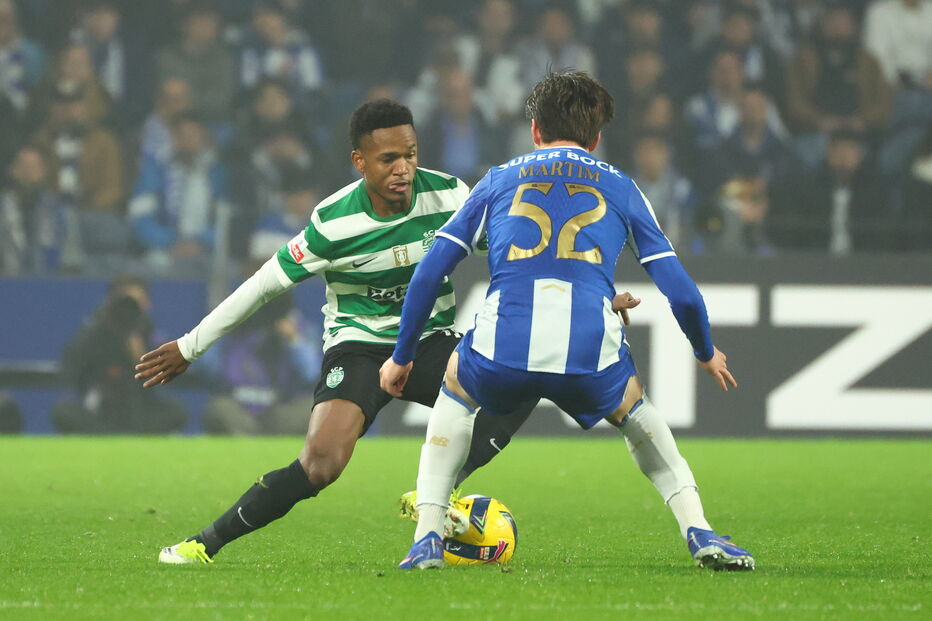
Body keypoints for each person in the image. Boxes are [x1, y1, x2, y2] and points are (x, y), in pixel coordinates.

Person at [381, 71, 755, 571]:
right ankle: (699, 531)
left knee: (456, 389)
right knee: (637, 413)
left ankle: (427, 537)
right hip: (588, 351)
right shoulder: (622, 187)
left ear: (535, 130)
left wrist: (401, 357)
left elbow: (430, 272)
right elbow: (682, 292)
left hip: (504, 347)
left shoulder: (498, 179)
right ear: (596, 138)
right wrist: (705, 351)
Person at [136, 99, 537, 565]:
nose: (403, 168)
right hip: (359, 347)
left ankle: (437, 490)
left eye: (410, 154)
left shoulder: (449, 196)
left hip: (429, 341)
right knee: (321, 463)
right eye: (389, 159)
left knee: (523, 380)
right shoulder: (333, 222)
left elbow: (514, 254)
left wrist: (589, 296)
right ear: (360, 162)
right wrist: (190, 346)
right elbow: (263, 286)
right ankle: (203, 544)